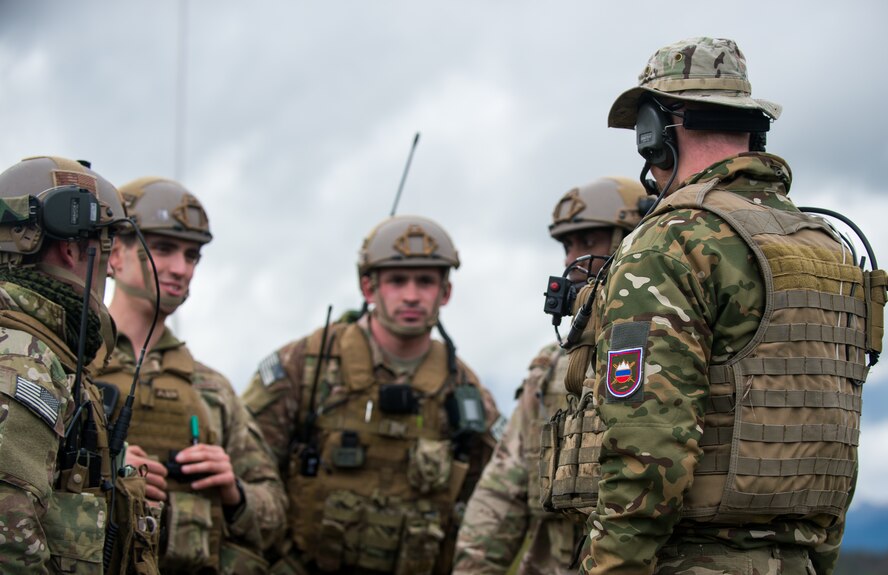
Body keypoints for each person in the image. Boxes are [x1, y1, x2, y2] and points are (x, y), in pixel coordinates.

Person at [572, 37, 886, 574]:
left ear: (654, 132)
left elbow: (648, 455)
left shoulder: (669, 243)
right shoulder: (827, 247)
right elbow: (836, 437)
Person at [242, 214, 502, 575]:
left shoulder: (464, 390)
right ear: (368, 288)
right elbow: (249, 466)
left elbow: (493, 499)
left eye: (425, 282)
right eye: (397, 281)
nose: (411, 295)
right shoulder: (306, 365)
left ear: (445, 292)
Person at [453, 177, 648, 575]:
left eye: (588, 243)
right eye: (566, 246)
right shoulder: (550, 368)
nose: (570, 260)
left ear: (631, 241)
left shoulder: (663, 347)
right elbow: (502, 489)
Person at [95, 177, 287, 574]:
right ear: (114, 254)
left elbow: (276, 516)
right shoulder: (70, 365)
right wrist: (104, 469)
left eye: (192, 255)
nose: (180, 269)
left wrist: (234, 492)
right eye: (163, 249)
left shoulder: (210, 389)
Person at [0, 156, 160, 574]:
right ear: (72, 250)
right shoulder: (22, 359)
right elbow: (9, 544)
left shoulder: (46, 350)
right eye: (106, 247)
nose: (107, 267)